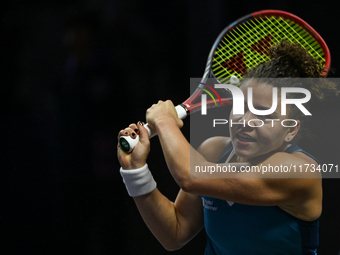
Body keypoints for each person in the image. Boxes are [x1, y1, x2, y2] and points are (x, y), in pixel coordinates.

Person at [117, 40, 338, 254]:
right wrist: (135, 170)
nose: (246, 121)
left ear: (291, 130)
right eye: (242, 106)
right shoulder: (213, 150)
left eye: (264, 114)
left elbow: (191, 176)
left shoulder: (299, 171)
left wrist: (165, 121)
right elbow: (174, 232)